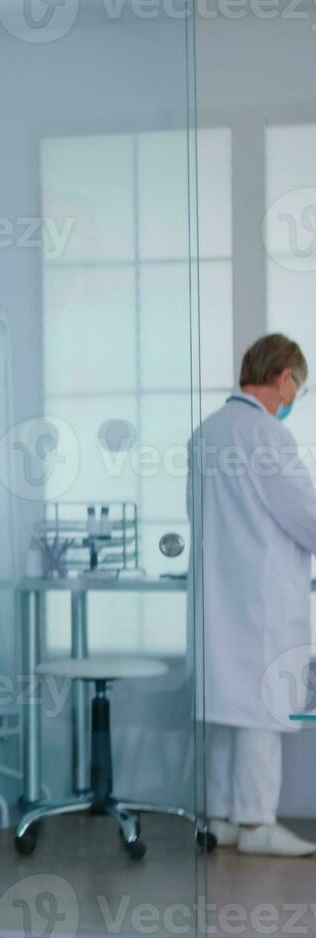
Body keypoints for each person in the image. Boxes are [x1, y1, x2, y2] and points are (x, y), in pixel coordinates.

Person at [190, 333, 316, 857]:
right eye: (297, 388)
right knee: (263, 709)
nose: (293, 400)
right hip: (262, 598)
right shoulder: (267, 436)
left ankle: (220, 818)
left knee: (226, 709)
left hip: (218, 594)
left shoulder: (206, 433)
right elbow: (304, 514)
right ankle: (257, 824)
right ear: (283, 378)